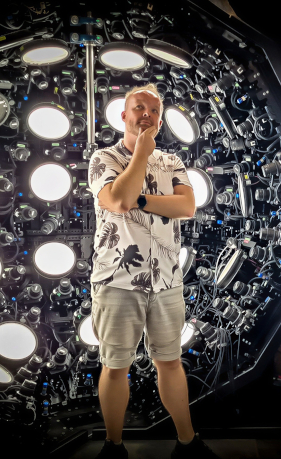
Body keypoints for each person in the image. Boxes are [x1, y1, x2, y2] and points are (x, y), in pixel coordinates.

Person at [88, 83, 220, 459]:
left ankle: (187, 443)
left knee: (170, 362)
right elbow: (117, 199)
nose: (146, 114)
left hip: (166, 280)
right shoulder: (103, 158)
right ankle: (114, 447)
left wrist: (142, 200)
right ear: (123, 116)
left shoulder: (172, 162)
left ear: (160, 121)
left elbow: (186, 207)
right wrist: (142, 155)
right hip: (117, 280)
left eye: (153, 111)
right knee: (116, 366)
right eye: (139, 108)